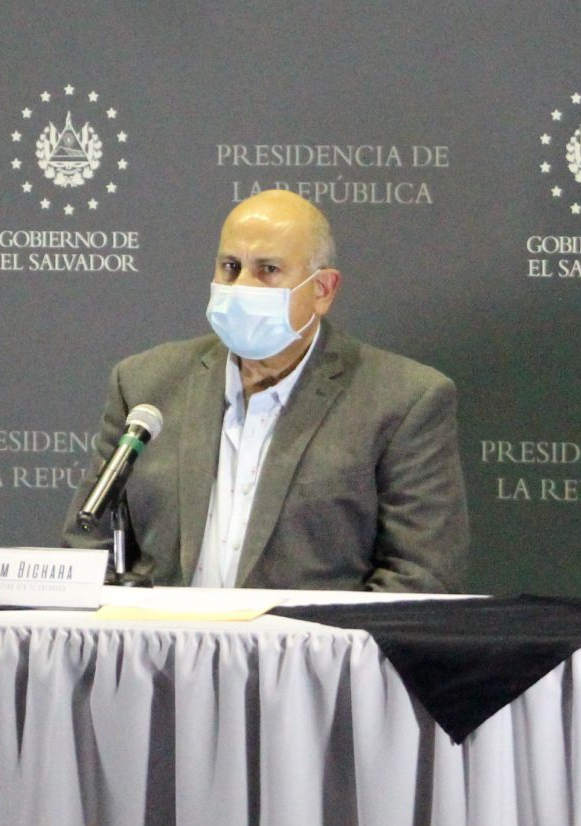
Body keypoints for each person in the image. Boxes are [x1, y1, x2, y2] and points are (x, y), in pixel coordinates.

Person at [63, 190, 467, 592]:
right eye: (230, 267)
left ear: (323, 289)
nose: (242, 286)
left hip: (313, 635)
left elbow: (419, 575)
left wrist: (308, 636)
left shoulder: (402, 400)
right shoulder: (146, 384)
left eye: (268, 269)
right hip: (160, 635)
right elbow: (88, 547)